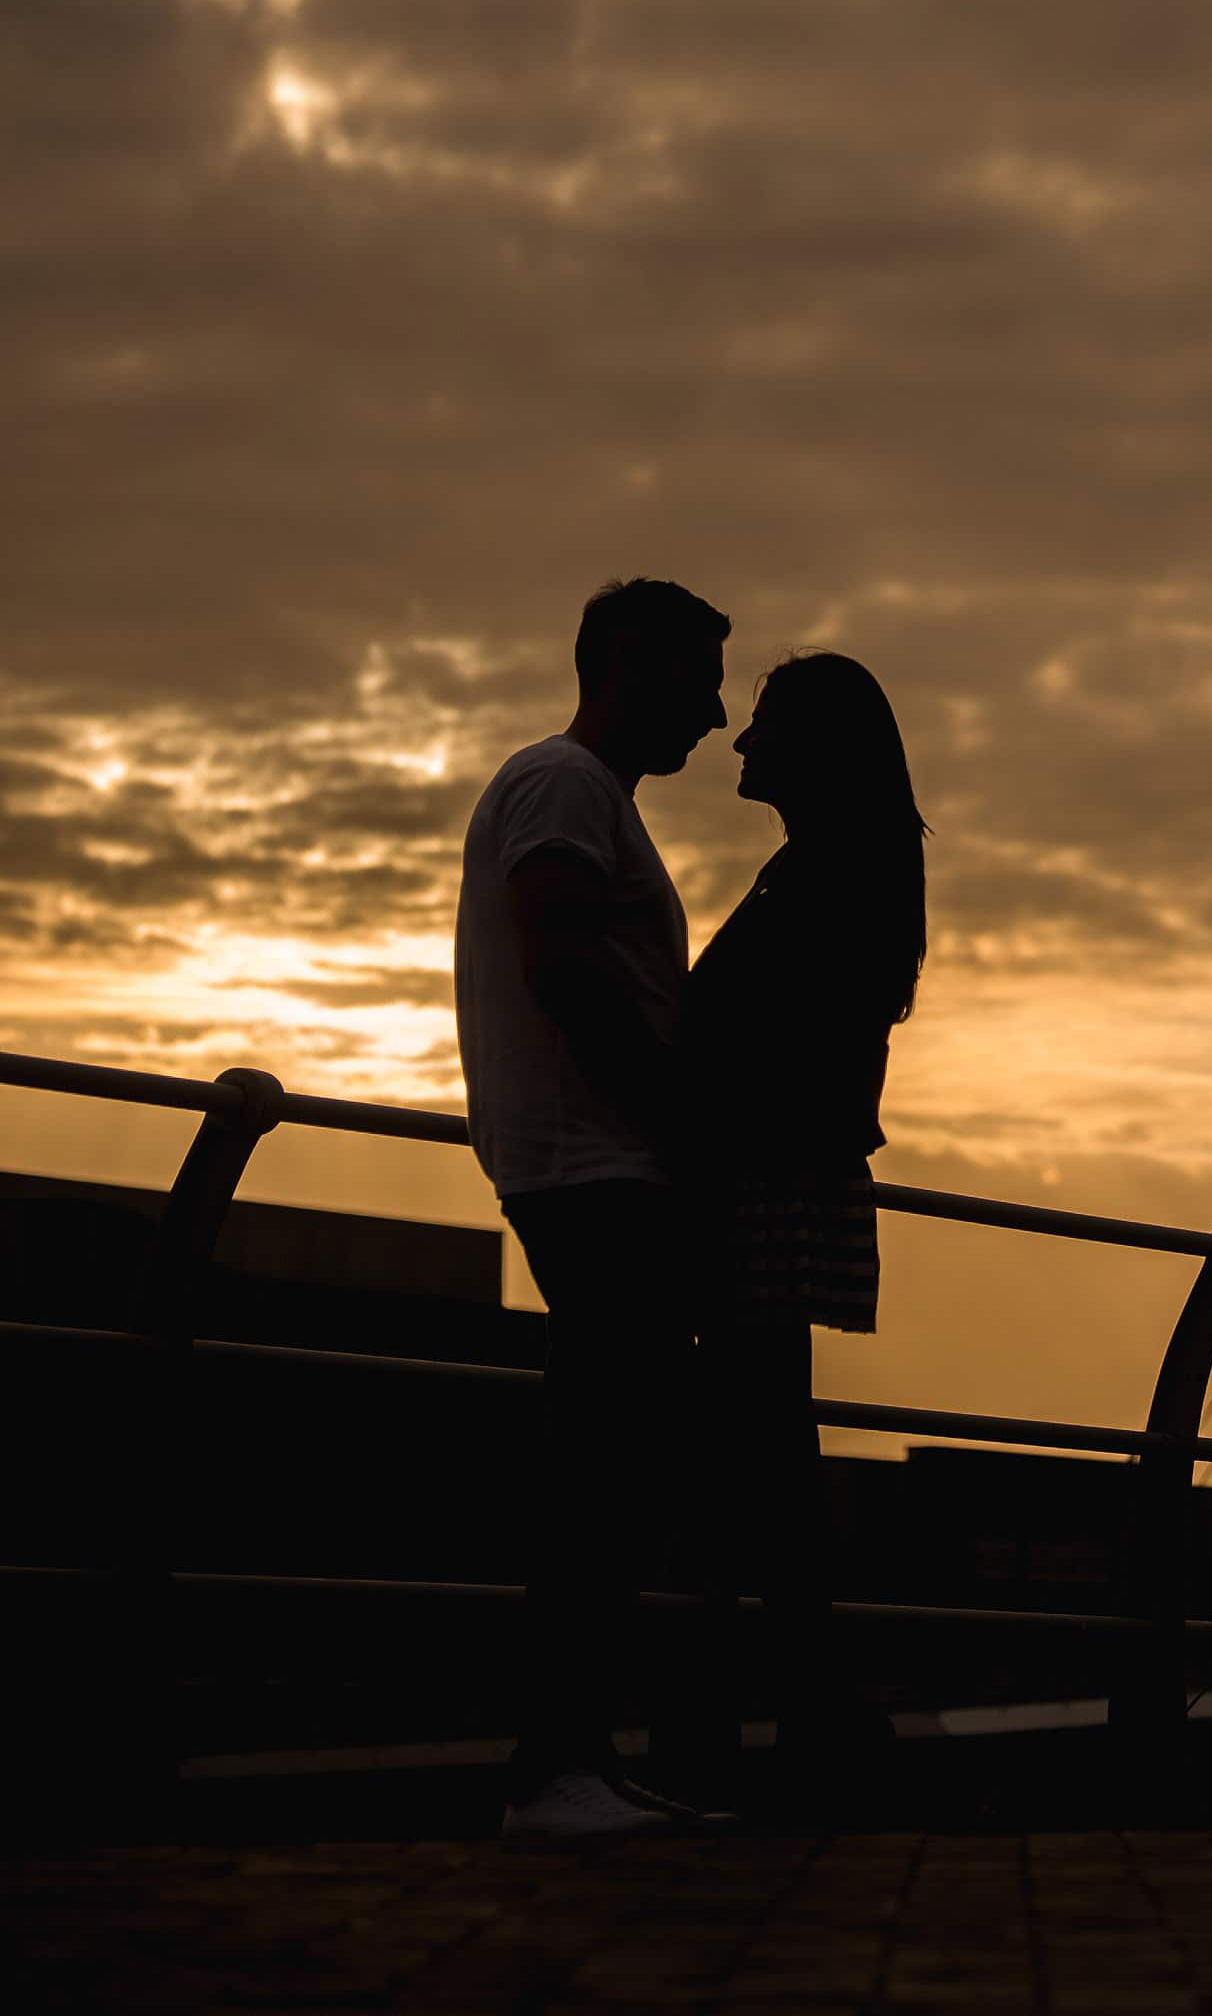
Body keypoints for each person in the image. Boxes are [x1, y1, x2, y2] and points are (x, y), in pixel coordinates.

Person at [452, 574, 731, 1847]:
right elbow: (559, 961)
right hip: (594, 1165)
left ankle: (574, 1757)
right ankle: (549, 1767)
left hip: (595, 1161)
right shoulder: (563, 787)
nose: (719, 716)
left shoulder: (587, 795)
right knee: (599, 1470)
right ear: (633, 662)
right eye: (700, 678)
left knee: (609, 1466)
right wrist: (675, 1116)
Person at [661, 650, 928, 1797]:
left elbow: (736, 1032)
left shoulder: (817, 878)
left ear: (813, 747)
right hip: (791, 1174)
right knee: (766, 1439)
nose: (739, 740)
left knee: (751, 1444)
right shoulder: (850, 871)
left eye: (762, 723)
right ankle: (797, 1708)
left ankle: (761, 1711)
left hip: (760, 1176)